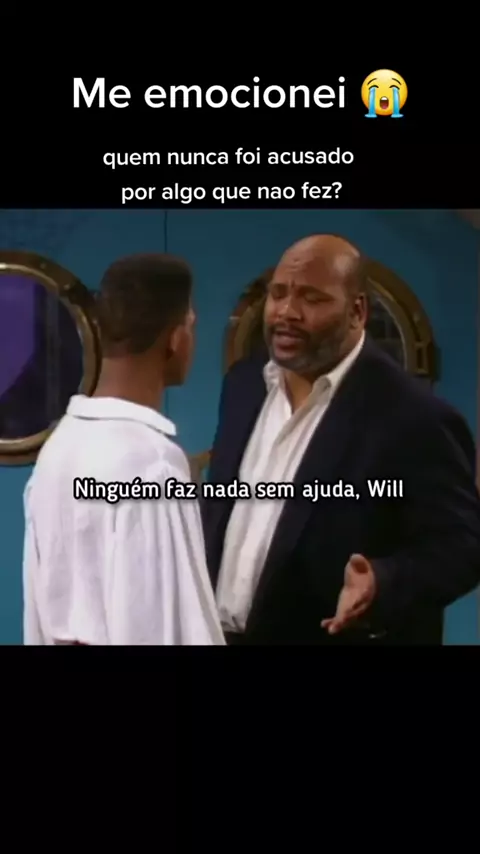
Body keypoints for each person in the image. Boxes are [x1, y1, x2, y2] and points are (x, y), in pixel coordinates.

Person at [202, 234, 480, 644]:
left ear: (357, 311)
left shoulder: (415, 417)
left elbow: (463, 546)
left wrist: (382, 583)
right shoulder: (244, 383)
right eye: (278, 294)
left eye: (312, 298)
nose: (287, 312)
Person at [23, 253, 225, 645]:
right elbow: (161, 627)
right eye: (191, 323)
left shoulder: (59, 447)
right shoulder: (151, 463)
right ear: (176, 338)